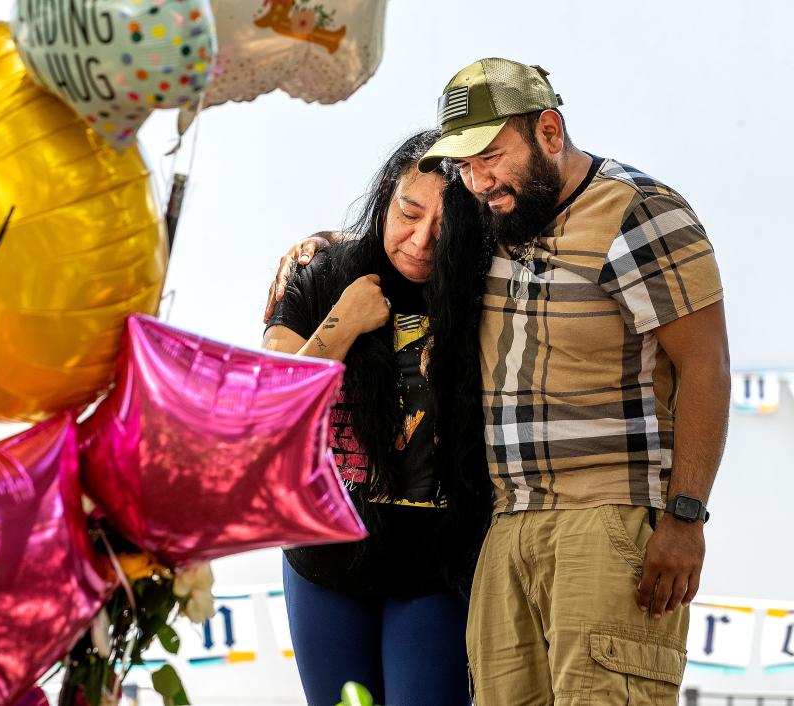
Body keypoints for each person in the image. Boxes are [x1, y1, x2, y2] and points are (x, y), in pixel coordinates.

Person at [266, 59, 731, 705]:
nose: (482, 180)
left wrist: (685, 517)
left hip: (579, 521)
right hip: (485, 533)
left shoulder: (618, 214)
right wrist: (341, 318)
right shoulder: (350, 265)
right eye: (469, 165)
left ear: (548, 130)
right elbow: (267, 403)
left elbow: (704, 363)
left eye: (492, 156)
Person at [262, 130, 493, 706]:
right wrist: (343, 320)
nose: (419, 242)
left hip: (438, 569)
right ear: (386, 196)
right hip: (323, 562)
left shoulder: (490, 289)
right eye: (408, 214)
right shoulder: (317, 269)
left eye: (443, 230)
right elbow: (271, 407)